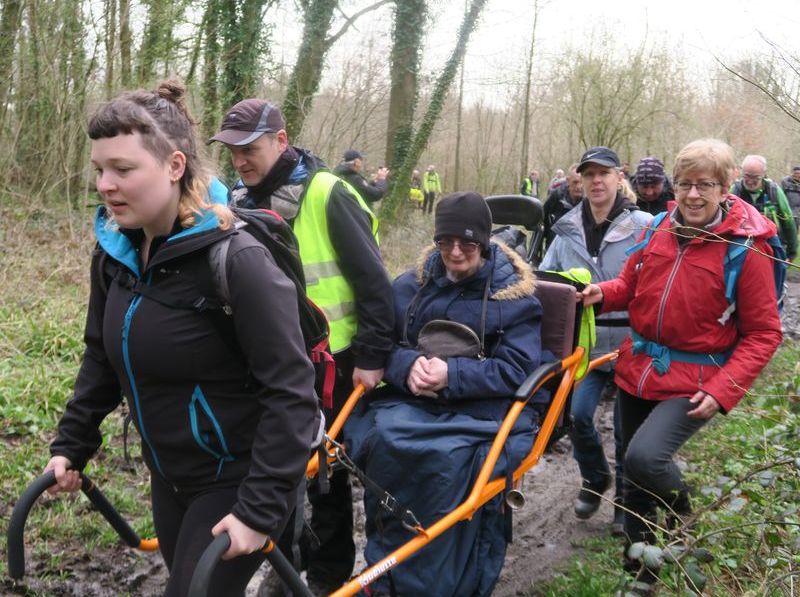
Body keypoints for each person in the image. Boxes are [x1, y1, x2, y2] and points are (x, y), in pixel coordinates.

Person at [44, 81, 320, 597]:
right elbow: (101, 358)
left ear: (174, 166)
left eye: (123, 170)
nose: (105, 184)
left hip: (239, 481)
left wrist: (258, 510)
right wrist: (72, 444)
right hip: (170, 479)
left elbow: (291, 395)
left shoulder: (237, 262)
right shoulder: (115, 256)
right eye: (100, 169)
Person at [208, 98, 394, 594]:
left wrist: (374, 357)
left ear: (282, 141)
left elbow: (375, 284)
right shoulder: (235, 200)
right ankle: (285, 561)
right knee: (273, 467)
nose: (241, 159)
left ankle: (326, 575)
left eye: (251, 148)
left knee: (323, 476)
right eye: (232, 151)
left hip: (332, 364)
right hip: (263, 360)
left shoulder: (329, 193)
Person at [580, 139, 782, 593]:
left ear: (726, 188)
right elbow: (630, 283)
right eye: (685, 183)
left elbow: (766, 333)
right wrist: (601, 293)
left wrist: (724, 388)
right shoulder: (657, 229)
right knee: (634, 482)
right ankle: (640, 577)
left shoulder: (747, 250)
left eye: (705, 185)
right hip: (638, 367)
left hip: (695, 379)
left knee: (645, 458)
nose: (693, 195)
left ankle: (688, 519)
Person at [345, 191, 547, 596]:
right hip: (412, 403)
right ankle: (386, 575)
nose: (456, 252)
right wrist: (408, 368)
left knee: (446, 462)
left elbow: (516, 369)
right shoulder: (410, 286)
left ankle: (441, 583)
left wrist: (451, 375)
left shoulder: (516, 299)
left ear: (484, 244)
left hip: (482, 412)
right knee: (380, 440)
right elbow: (385, 345)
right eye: (446, 242)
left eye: (468, 244)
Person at [541, 147, 652, 536]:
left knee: (627, 432)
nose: (596, 181)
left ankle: (626, 499)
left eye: (604, 173)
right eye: (589, 175)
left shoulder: (645, 226)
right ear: (581, 180)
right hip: (585, 345)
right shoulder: (566, 227)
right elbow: (548, 278)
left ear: (620, 177)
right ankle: (595, 478)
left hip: (632, 344)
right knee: (577, 416)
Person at [730, 154, 797, 261]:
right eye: (747, 176)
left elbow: (788, 221)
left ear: (764, 174)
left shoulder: (774, 191)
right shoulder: (735, 191)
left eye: (755, 177)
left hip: (771, 250)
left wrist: (791, 252)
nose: (750, 181)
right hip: (741, 250)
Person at [543, 164, 583, 250]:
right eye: (575, 182)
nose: (579, 186)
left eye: (582, 182)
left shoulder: (590, 202)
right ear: (568, 181)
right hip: (554, 248)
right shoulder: (556, 196)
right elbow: (542, 220)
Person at [780, 165, 800, 230]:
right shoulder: (785, 182)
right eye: (795, 173)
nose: (797, 175)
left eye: (798, 173)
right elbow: (780, 195)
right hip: (786, 209)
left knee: (795, 228)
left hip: (797, 212)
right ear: (792, 173)